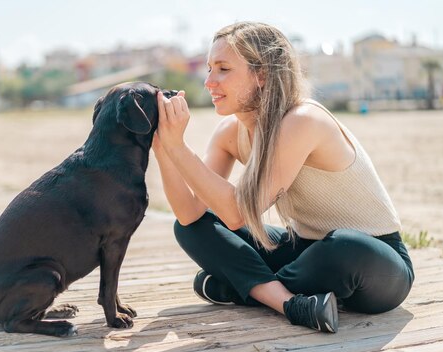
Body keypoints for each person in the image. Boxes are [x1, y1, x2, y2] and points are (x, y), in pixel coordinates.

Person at [152, 21, 414, 333]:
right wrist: (164, 147)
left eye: (223, 69)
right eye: (209, 68)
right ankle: (289, 303)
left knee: (343, 245)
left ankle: (241, 289)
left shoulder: (302, 121)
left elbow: (237, 212)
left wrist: (179, 148)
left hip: (374, 265)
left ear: (261, 74)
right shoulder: (230, 134)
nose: (209, 81)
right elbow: (189, 212)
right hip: (304, 250)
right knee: (190, 228)